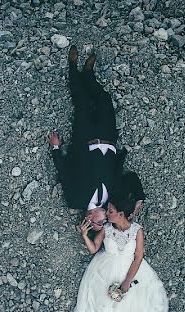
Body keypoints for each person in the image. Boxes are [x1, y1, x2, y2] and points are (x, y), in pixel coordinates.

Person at [48, 45, 145, 232]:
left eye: (101, 223)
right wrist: (139, 198)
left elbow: (64, 173)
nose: (105, 220)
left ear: (89, 219)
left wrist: (56, 148)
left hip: (85, 140)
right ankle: (89, 75)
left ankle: (73, 68)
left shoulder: (75, 199)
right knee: (105, 101)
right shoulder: (113, 199)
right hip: (108, 138)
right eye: (104, 223)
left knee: (82, 104)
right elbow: (131, 177)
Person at [68, 194, 168, 312]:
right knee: (103, 307)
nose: (107, 213)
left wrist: (126, 284)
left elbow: (138, 257)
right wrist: (85, 235)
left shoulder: (137, 230)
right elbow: (94, 249)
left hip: (132, 272)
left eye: (111, 211)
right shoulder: (106, 228)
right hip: (105, 269)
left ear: (121, 214)